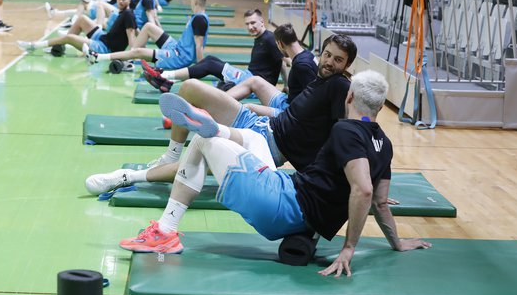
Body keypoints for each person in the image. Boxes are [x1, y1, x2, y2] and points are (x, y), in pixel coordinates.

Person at [119, 70, 432, 277]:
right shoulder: (385, 145)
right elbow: (380, 202)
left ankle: (166, 231)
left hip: (280, 205)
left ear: (349, 97)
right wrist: (398, 242)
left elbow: (363, 191)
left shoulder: (345, 132)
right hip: (288, 195)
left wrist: (348, 248)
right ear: (379, 108)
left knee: (201, 140)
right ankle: (225, 133)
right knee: (253, 139)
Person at [84, 34, 356, 194]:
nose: (330, 62)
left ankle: (127, 177)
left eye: (338, 59)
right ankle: (171, 152)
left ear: (347, 65)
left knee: (201, 151)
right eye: (328, 55)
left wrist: (353, 179)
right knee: (189, 88)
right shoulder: (320, 78)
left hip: (267, 146)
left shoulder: (339, 86)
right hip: (260, 123)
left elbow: (343, 134)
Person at [141, 9, 284, 93]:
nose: (250, 27)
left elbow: (285, 61)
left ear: (262, 22)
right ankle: (169, 80)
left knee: (210, 65)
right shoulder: (261, 38)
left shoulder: (270, 39)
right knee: (210, 59)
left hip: (254, 83)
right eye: (247, 24)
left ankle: (164, 76)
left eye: (253, 23)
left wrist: (287, 88)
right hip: (249, 77)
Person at [84, 0, 209, 70]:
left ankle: (99, 57)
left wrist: (200, 69)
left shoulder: (199, 20)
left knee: (139, 51)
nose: (191, 5)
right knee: (148, 27)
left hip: (179, 57)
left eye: (192, 3)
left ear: (196, 2)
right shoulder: (199, 17)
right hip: (176, 48)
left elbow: (199, 47)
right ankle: (130, 58)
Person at [225, 23, 317, 116]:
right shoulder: (308, 55)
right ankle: (220, 100)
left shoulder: (301, 66)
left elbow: (313, 99)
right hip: (287, 102)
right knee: (254, 80)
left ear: (280, 43)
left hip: (289, 114)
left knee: (248, 107)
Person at [17, 0, 135, 55]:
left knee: (70, 38)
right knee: (81, 19)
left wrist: (132, 56)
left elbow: (132, 38)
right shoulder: (120, 12)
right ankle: (59, 46)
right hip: (103, 38)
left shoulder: (128, 14)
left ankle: (33, 45)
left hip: (104, 48)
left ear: (130, 0)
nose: (120, 1)